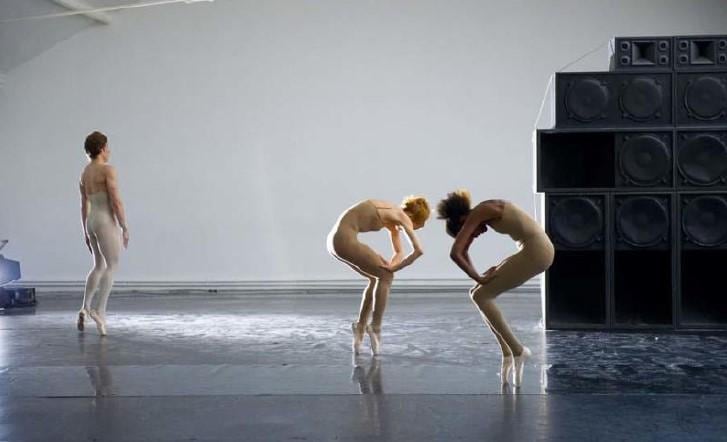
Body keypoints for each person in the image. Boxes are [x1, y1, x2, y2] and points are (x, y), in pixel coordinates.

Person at [437, 189, 553, 386]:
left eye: (470, 232)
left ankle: (518, 350)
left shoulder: (480, 212)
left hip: (537, 251)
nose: (477, 234)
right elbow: (463, 250)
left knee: (481, 296)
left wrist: (479, 278)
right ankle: (507, 353)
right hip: (533, 249)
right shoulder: (485, 209)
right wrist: (478, 278)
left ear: (463, 220)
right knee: (475, 293)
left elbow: (455, 252)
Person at [328, 197, 429, 355]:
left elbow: (398, 252)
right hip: (344, 240)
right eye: (416, 227)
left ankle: (360, 326)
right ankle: (375, 327)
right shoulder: (402, 216)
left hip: (334, 241)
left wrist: (391, 265)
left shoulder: (391, 214)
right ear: (414, 218)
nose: (409, 229)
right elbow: (419, 251)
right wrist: (394, 269)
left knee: (377, 277)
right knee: (386, 277)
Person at [77, 131, 129, 336]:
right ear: (101, 149)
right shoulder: (107, 170)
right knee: (113, 265)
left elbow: (83, 205)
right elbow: (115, 200)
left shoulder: (84, 174)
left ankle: (84, 307)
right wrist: (124, 226)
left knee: (98, 265)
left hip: (91, 221)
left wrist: (84, 230)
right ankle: (99, 311)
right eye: (107, 147)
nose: (109, 151)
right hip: (105, 221)